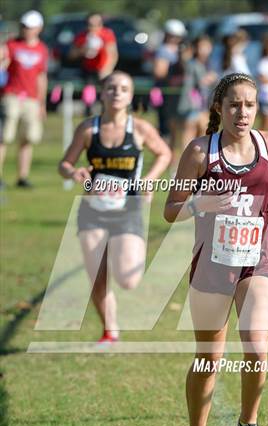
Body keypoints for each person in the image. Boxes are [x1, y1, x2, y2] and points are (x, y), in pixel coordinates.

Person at [164, 72, 268, 426]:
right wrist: (200, 201)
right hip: (211, 265)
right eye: (234, 105)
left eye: (249, 104)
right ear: (219, 108)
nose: (242, 112)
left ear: (257, 107)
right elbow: (170, 209)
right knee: (209, 359)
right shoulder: (199, 151)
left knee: (258, 349)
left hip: (257, 262)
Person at [59, 71, 171, 345]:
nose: (117, 92)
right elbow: (64, 164)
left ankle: (120, 254)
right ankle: (110, 331)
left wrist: (149, 180)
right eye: (111, 88)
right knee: (97, 276)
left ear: (130, 96)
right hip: (92, 209)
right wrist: (74, 173)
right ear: (102, 92)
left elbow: (165, 153)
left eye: (123, 88)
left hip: (127, 209)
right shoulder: (89, 129)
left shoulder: (140, 129)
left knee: (128, 280)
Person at [0, 10, 48, 189]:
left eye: (30, 27)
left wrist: (42, 103)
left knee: (28, 138)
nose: (26, 30)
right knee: (4, 137)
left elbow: (41, 77)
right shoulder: (11, 45)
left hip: (31, 99)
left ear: (38, 28)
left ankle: (22, 177)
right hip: (11, 96)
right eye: (24, 26)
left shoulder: (42, 49)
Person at [153, 19, 187, 173]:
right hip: (168, 96)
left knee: (178, 130)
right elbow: (159, 73)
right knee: (166, 129)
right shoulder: (163, 51)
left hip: (179, 96)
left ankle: (174, 160)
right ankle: (166, 159)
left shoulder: (181, 49)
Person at [70, 12, 118, 113]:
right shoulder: (82, 36)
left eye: (97, 24)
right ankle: (89, 116)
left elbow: (113, 54)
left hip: (103, 70)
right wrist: (82, 50)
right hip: (88, 70)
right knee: (88, 96)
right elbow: (72, 55)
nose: (94, 27)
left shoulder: (107, 34)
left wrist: (106, 69)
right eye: (90, 24)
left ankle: (106, 114)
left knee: (105, 95)